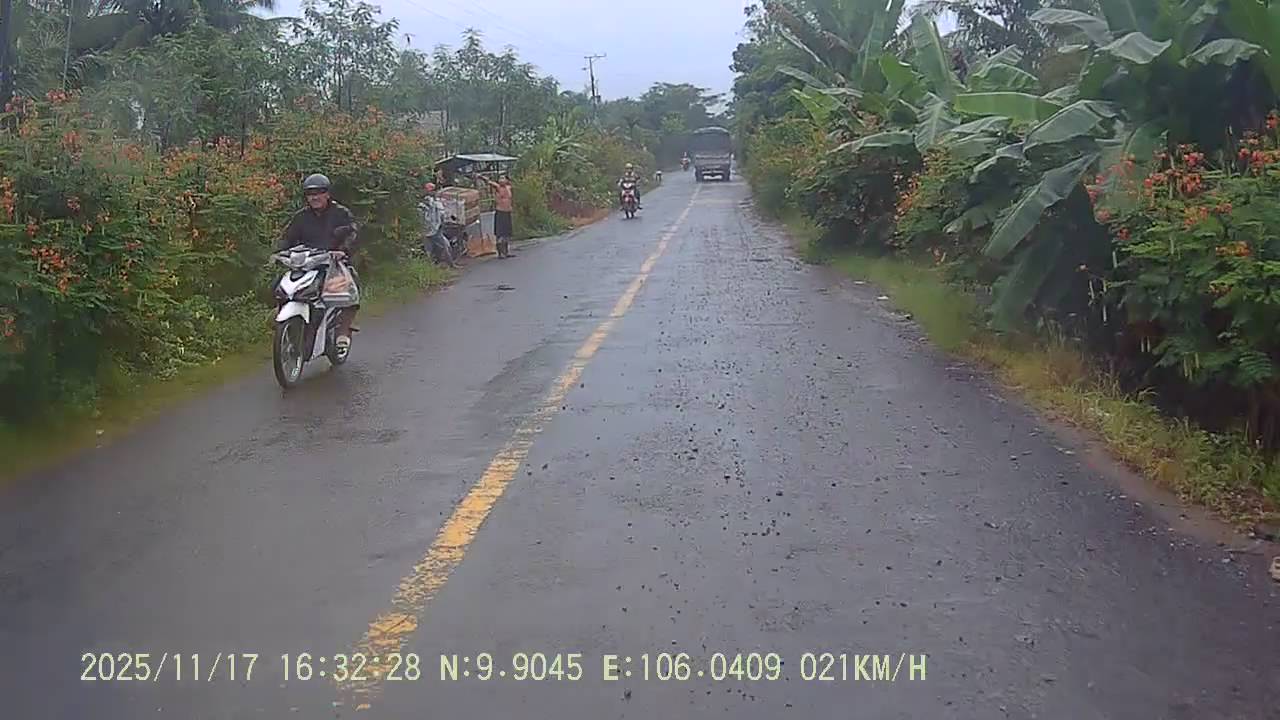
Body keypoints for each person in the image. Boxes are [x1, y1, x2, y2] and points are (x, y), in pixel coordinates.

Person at [279, 173, 360, 352]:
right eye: (310, 193)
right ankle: (287, 327)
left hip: (334, 264)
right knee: (280, 289)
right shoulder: (300, 217)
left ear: (327, 194)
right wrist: (278, 253)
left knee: (349, 291)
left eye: (319, 192)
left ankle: (343, 331)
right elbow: (287, 238)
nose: (314, 197)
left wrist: (343, 250)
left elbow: (352, 233)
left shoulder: (341, 213)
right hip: (306, 264)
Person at [420, 182, 457, 269]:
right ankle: (451, 265)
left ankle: (432, 268)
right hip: (434, 229)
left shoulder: (423, 203)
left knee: (429, 250)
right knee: (443, 247)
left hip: (428, 229)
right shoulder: (434, 202)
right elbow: (442, 214)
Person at [480, 174, 515, 258]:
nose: (501, 180)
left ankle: (506, 251)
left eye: (503, 178)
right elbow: (489, 182)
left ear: (507, 180)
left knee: (507, 233)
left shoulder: (509, 188)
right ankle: (500, 253)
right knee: (500, 233)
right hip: (500, 212)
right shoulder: (498, 187)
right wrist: (481, 177)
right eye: (500, 178)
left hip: (507, 212)